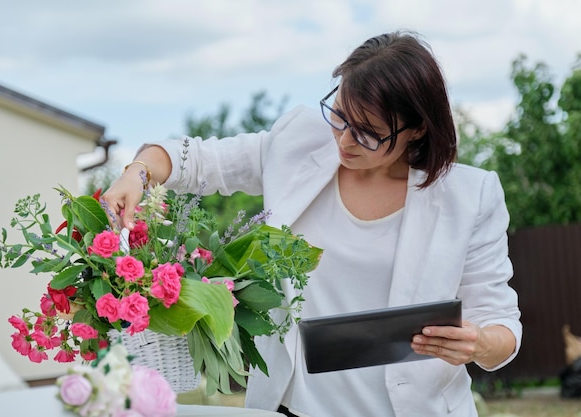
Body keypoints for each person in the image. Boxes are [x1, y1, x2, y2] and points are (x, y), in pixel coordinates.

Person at [101, 31, 522, 417]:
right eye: (339, 115)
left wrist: (479, 343)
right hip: (293, 407)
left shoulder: (470, 196)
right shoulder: (298, 143)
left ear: (416, 129)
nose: (343, 140)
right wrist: (138, 172)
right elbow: (197, 160)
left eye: (368, 133)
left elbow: (501, 324)